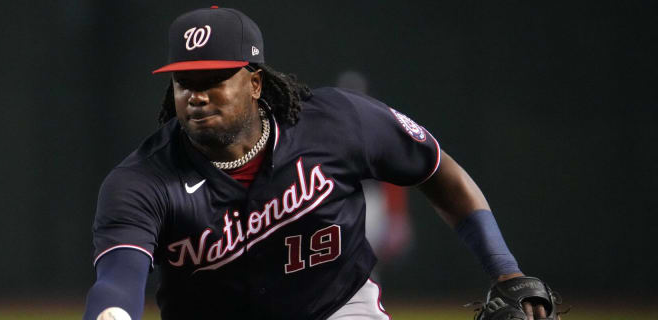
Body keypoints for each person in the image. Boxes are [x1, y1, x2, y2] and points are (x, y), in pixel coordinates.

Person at [84, 6, 555, 320]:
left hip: (337, 306)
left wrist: (505, 270)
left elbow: (438, 170)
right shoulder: (141, 181)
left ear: (254, 83)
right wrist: (112, 315)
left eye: (213, 78)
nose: (196, 95)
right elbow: (118, 278)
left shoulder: (338, 123)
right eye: (183, 82)